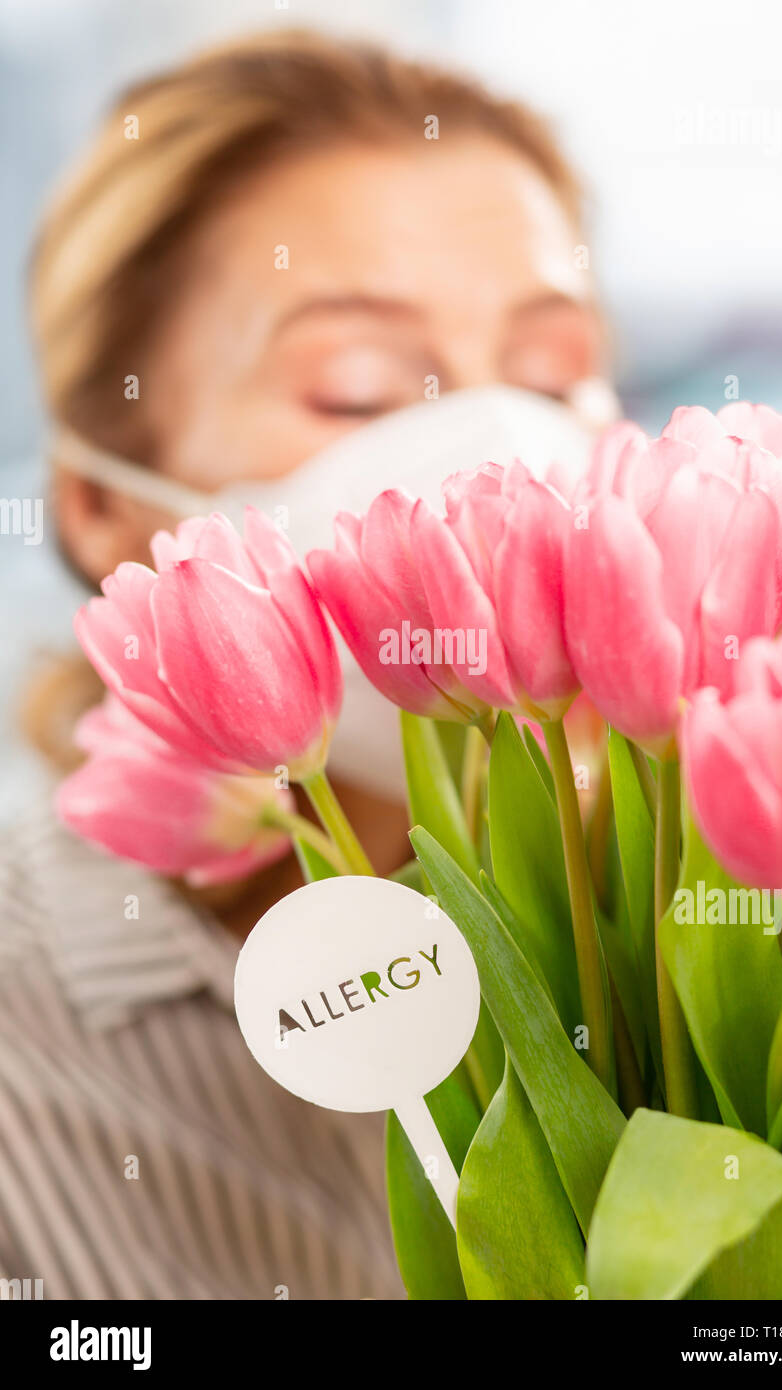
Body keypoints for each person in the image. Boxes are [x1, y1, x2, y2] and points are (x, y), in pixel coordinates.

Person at [4, 27, 613, 1300]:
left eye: (557, 374)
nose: (503, 448)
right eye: (356, 387)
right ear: (102, 506)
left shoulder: (722, 923)